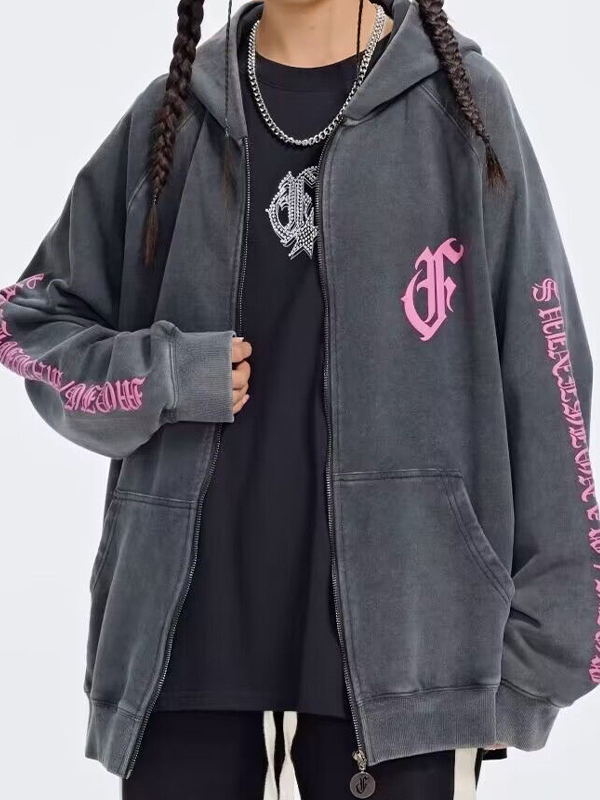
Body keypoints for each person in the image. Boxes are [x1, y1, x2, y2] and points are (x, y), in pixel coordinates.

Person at [0, 0, 597, 798]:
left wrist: (541, 659)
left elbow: (550, 376)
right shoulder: (177, 115)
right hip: (185, 660)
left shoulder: (462, 108)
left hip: (408, 666)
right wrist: (165, 375)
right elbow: (31, 322)